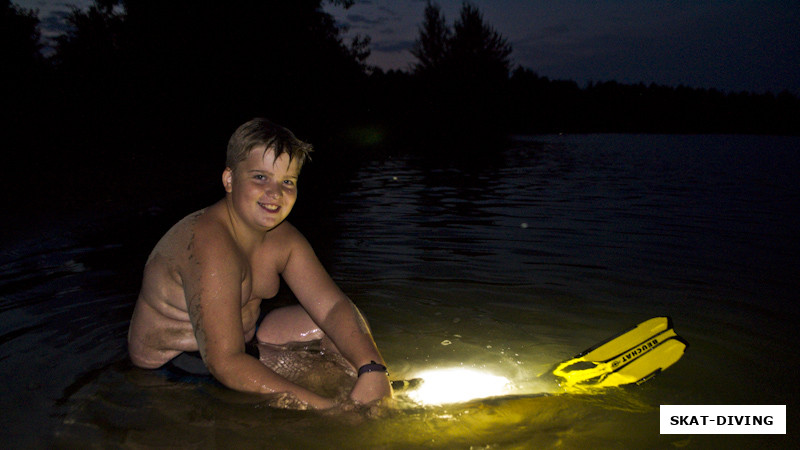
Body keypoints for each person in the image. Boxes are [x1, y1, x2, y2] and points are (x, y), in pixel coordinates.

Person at [128, 118, 392, 410]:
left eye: (287, 182)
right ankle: (342, 407)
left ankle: (366, 393)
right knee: (306, 398)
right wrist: (326, 409)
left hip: (245, 345)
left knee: (342, 326)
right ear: (229, 180)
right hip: (174, 370)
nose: (275, 192)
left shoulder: (285, 239)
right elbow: (225, 362)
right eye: (260, 177)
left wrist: (372, 369)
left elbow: (332, 308)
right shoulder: (210, 245)